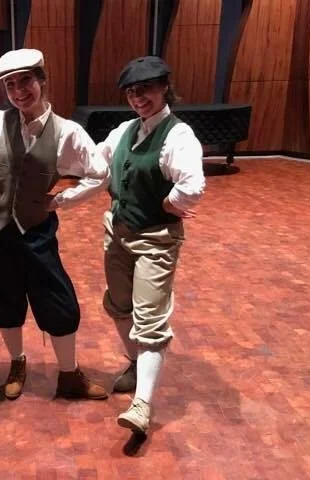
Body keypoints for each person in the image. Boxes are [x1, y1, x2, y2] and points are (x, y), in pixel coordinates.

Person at [0, 48, 110, 401]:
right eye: (10, 85)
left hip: (36, 227)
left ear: (42, 81)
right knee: (3, 295)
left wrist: (61, 200)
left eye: (25, 81)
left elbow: (100, 174)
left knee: (57, 297)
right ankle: (17, 362)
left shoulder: (68, 132)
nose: (19, 91)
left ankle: (69, 374)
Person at [98, 56, 205, 433]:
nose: (138, 98)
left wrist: (170, 203)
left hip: (156, 238)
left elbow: (192, 185)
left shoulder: (178, 136)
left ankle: (142, 405)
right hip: (118, 231)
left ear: (164, 88)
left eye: (145, 89)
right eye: (131, 92)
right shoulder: (125, 130)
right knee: (118, 304)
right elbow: (98, 163)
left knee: (150, 319)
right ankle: (134, 363)